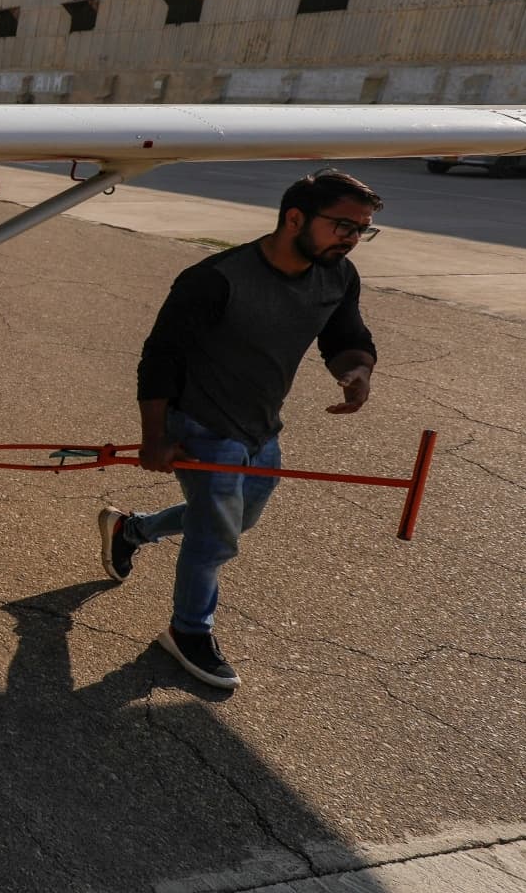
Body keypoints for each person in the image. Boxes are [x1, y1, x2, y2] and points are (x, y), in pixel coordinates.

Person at [99, 169, 383, 690]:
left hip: (261, 425)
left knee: (236, 519)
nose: (352, 238)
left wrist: (356, 368)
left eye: (362, 229)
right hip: (203, 421)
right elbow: (161, 358)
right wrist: (154, 436)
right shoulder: (215, 279)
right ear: (294, 218)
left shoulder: (338, 276)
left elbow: (345, 334)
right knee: (214, 537)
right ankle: (187, 632)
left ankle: (131, 529)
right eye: (343, 225)